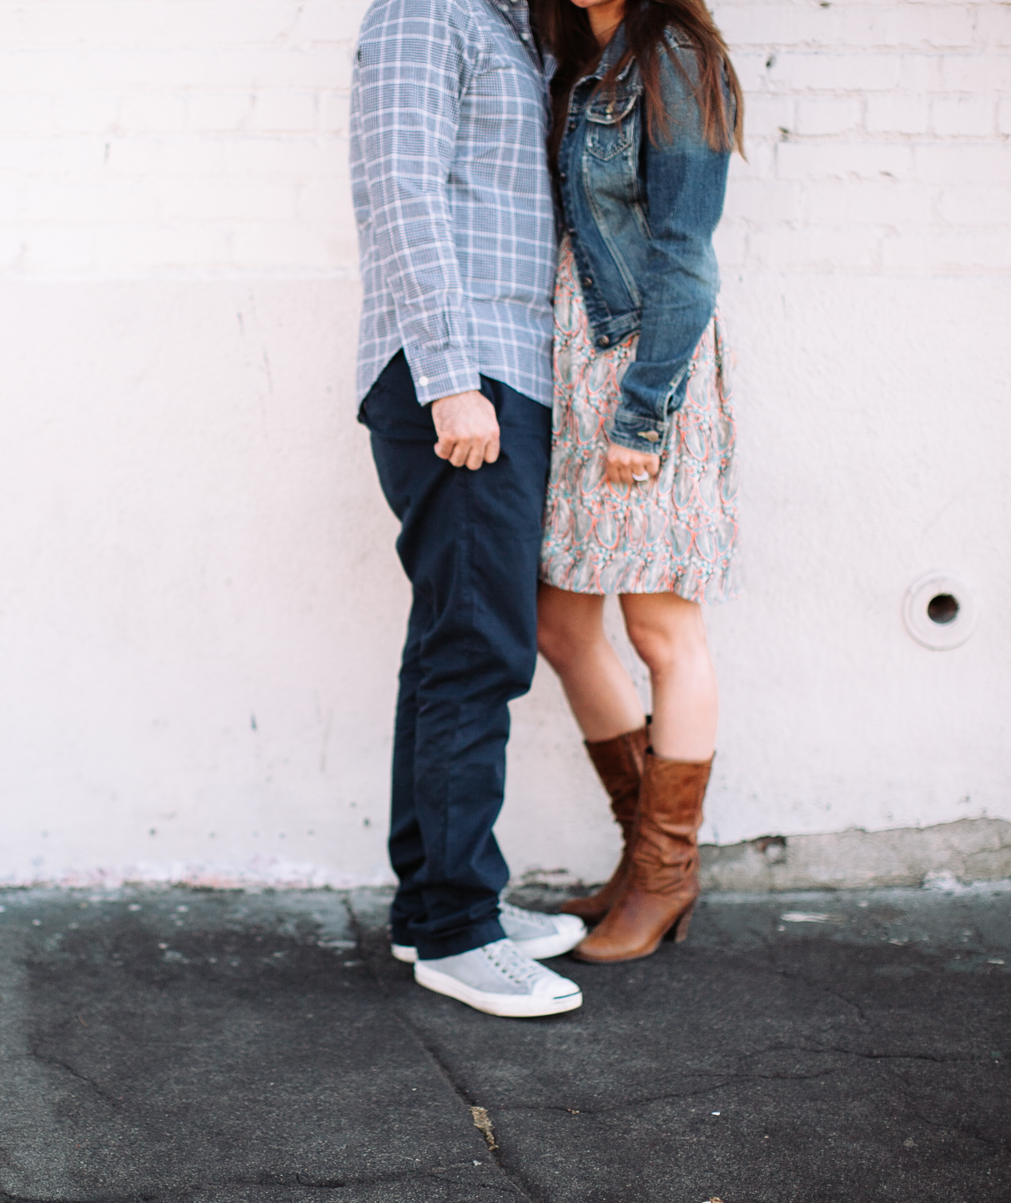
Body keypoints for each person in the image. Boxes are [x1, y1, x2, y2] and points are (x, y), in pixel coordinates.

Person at [349, 0, 586, 1019]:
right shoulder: (425, 11)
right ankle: (458, 931)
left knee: (450, 641)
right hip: (461, 374)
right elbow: (400, 191)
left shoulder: (514, 25)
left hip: (502, 371)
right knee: (479, 649)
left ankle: (432, 908)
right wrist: (451, 378)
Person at [529, 0, 743, 962]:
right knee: (562, 626)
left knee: (662, 629)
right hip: (581, 368)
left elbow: (685, 255)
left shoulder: (673, 56)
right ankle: (637, 853)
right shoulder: (584, 58)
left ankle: (664, 873)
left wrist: (643, 411)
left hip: (645, 371)